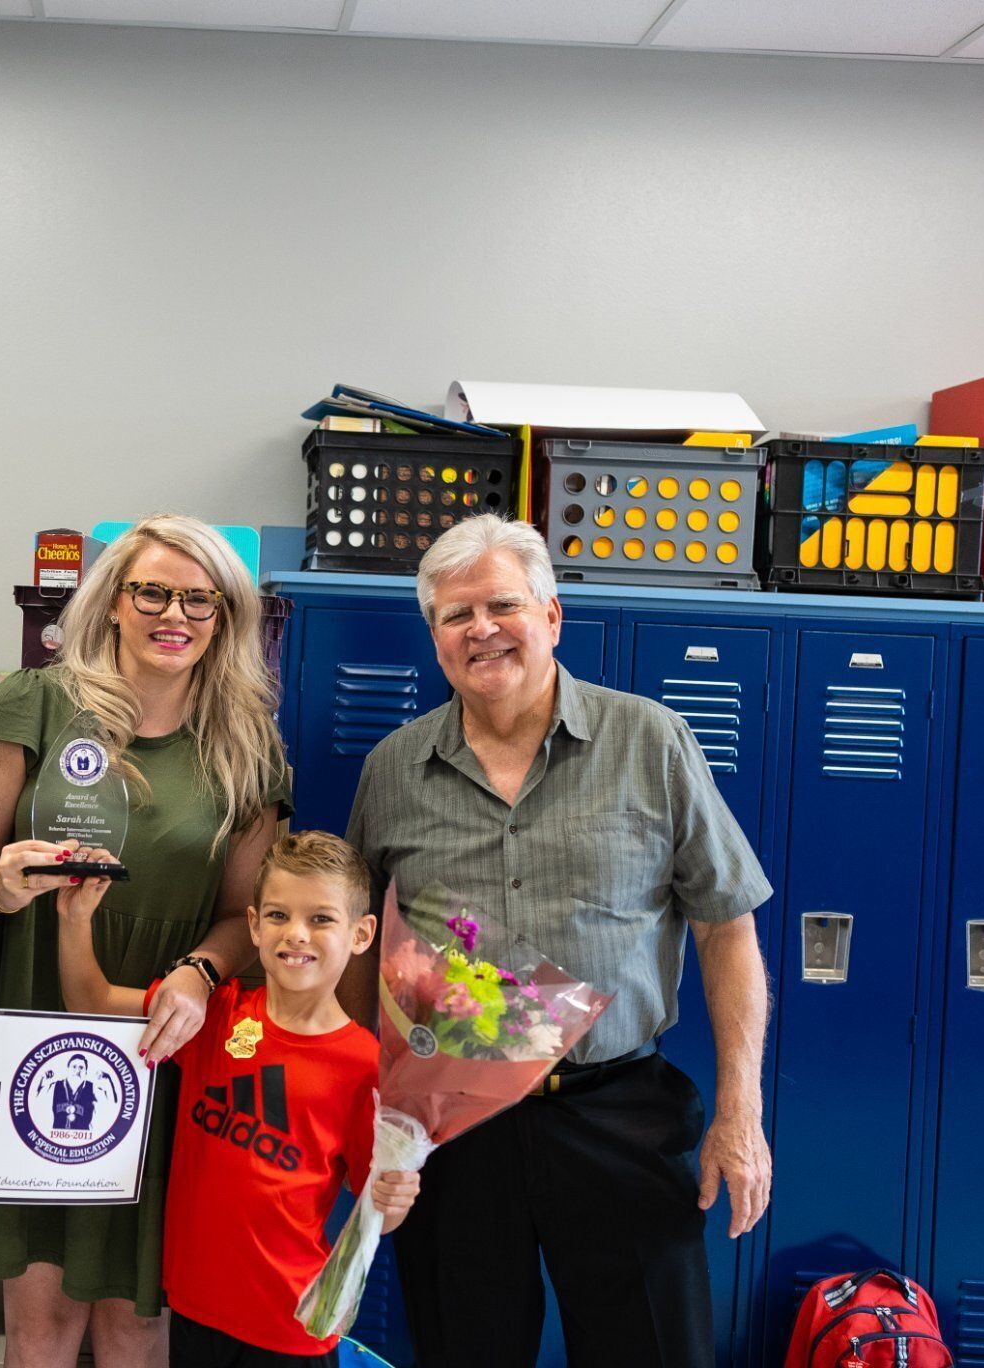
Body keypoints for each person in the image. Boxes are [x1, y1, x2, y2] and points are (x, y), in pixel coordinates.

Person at [344, 514, 773, 1368]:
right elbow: (356, 945)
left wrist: (741, 1111)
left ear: (550, 616)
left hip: (617, 1115)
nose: (483, 630)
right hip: (452, 1126)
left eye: (502, 604)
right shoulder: (393, 769)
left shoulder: (649, 740)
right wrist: (367, 1107)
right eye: (457, 616)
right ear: (434, 638)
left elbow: (727, 925)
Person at [0, 514, 292, 1367]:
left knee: (139, 1321)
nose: (176, 614)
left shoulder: (248, 744)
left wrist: (203, 975)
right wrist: (4, 881)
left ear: (226, 617)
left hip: (162, 1033)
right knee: (43, 1319)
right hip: (34, 1011)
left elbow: (248, 918)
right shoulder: (39, 701)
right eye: (154, 591)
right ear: (114, 602)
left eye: (201, 599)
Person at [55, 830, 420, 1368]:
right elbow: (93, 1000)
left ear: (363, 933)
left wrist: (396, 1197)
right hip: (196, 1310)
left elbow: (376, 1216)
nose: (296, 934)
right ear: (253, 925)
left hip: (290, 1327)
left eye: (321, 919)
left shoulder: (365, 1066)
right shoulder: (212, 1015)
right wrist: (73, 919)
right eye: (278, 915)